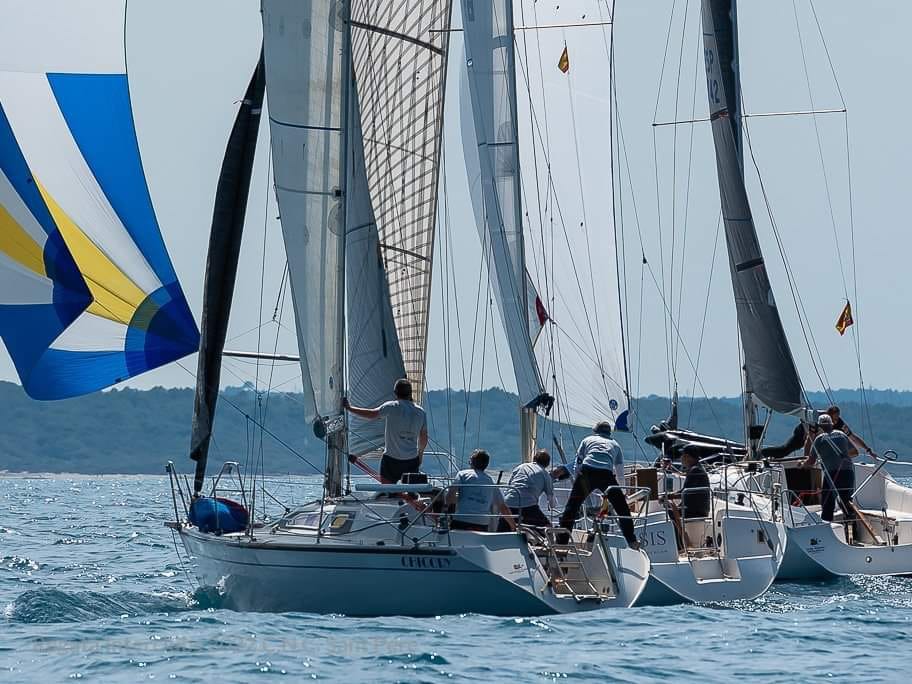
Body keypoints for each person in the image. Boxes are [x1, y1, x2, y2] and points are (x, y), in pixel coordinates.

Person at [557, 422, 640, 549]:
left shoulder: (587, 440)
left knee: (572, 507)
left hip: (587, 472)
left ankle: (562, 542)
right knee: (622, 508)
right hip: (605, 474)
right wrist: (622, 492)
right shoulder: (615, 445)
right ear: (609, 433)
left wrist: (578, 478)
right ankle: (632, 540)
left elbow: (578, 462)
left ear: (595, 431)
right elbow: (619, 472)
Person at [342, 378, 428, 484]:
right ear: (411, 393)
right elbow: (423, 438)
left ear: (395, 393)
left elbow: (372, 414)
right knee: (412, 490)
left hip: (391, 460)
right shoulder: (421, 412)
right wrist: (420, 454)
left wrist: (350, 408)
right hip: (411, 460)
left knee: (388, 490)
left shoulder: (391, 406)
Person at [801, 413, 856, 523]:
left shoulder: (819, 439)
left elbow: (811, 462)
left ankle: (827, 528)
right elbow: (855, 452)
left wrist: (801, 464)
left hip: (832, 474)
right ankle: (852, 528)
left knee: (827, 504)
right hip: (848, 473)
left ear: (820, 427)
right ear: (832, 424)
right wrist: (840, 456)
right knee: (847, 503)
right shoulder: (841, 435)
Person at [447, 449, 515, 532]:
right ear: (486, 465)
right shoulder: (490, 481)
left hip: (461, 520)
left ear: (471, 462)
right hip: (481, 523)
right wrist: (513, 526)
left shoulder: (462, 474)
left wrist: (446, 510)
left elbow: (450, 496)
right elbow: (503, 507)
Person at [662, 450, 711, 550]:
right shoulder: (698, 469)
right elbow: (685, 491)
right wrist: (670, 496)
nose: (681, 459)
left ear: (688, 457)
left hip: (695, 510)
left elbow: (684, 492)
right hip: (699, 508)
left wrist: (667, 497)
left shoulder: (695, 471)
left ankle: (680, 546)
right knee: (672, 510)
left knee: (669, 514)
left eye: (682, 456)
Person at [497, 449, 555, 531]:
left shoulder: (520, 467)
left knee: (502, 532)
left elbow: (509, 486)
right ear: (547, 464)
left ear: (534, 459)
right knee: (548, 528)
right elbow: (552, 502)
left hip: (509, 503)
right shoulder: (545, 475)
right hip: (529, 507)